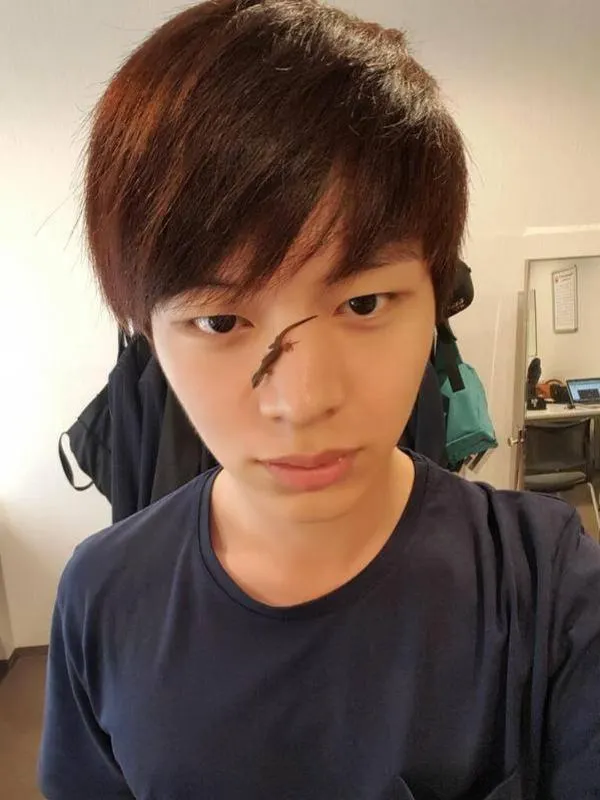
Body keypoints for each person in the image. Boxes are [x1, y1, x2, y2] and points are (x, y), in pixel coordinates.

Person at [38, 1, 600, 798]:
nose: (301, 403)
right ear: (147, 334)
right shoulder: (101, 597)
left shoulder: (550, 586)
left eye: (363, 304)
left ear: (435, 303)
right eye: (221, 320)